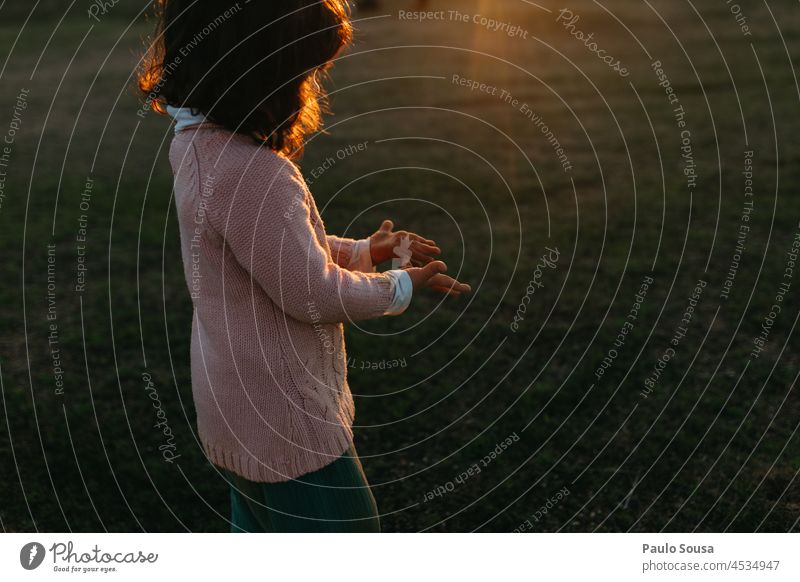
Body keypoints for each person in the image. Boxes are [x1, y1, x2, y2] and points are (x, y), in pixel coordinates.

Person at [138, 0, 470, 532]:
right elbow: (310, 291)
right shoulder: (255, 174)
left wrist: (365, 252)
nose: (310, 88)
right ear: (264, 75)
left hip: (236, 409)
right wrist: (399, 285)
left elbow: (274, 252)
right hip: (286, 425)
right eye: (305, 72)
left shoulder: (197, 146)